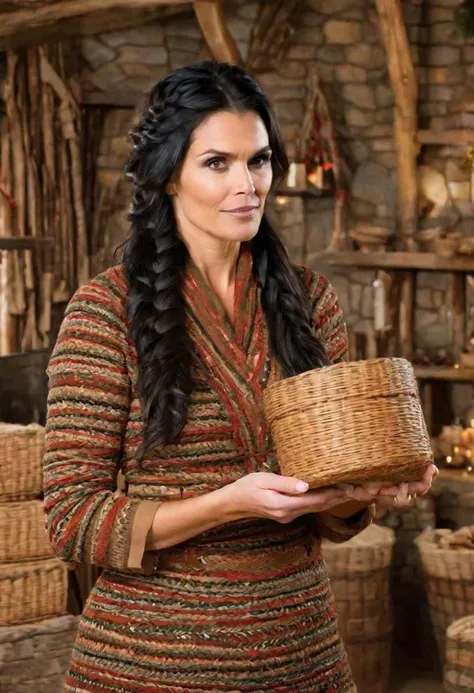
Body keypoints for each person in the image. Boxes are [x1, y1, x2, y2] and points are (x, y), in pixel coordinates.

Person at [43, 61, 436, 693]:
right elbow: (72, 519)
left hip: (300, 651)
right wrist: (228, 503)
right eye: (217, 163)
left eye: (258, 160)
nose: (247, 185)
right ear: (169, 175)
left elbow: (332, 508)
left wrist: (369, 488)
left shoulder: (311, 301)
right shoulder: (106, 311)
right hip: (150, 661)